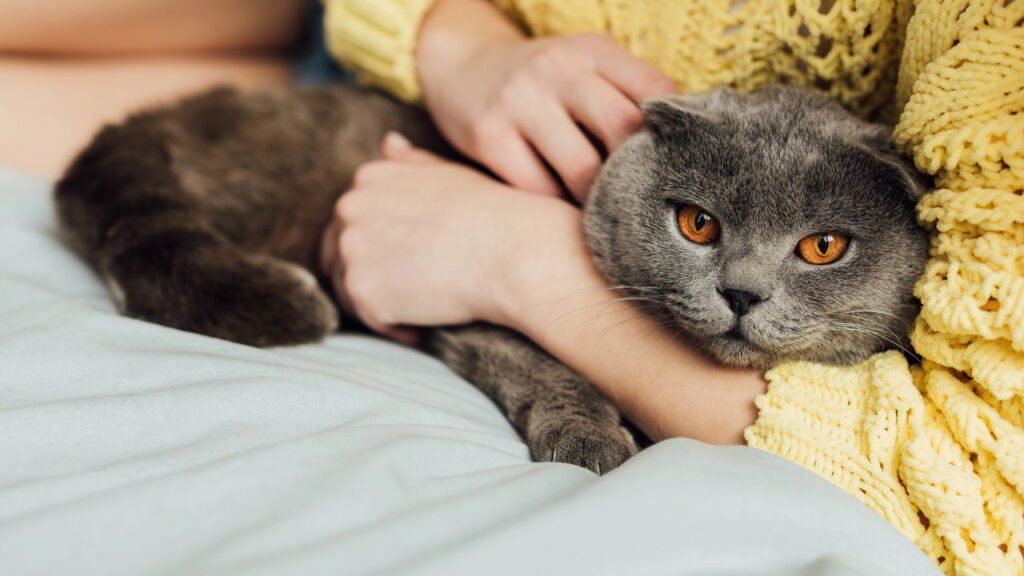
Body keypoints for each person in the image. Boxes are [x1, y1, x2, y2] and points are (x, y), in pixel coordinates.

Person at [319, 1, 1024, 571]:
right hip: (385, 110)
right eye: (698, 224)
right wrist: (458, 41)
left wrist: (520, 261)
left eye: (821, 247)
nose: (744, 286)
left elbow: (980, 505)